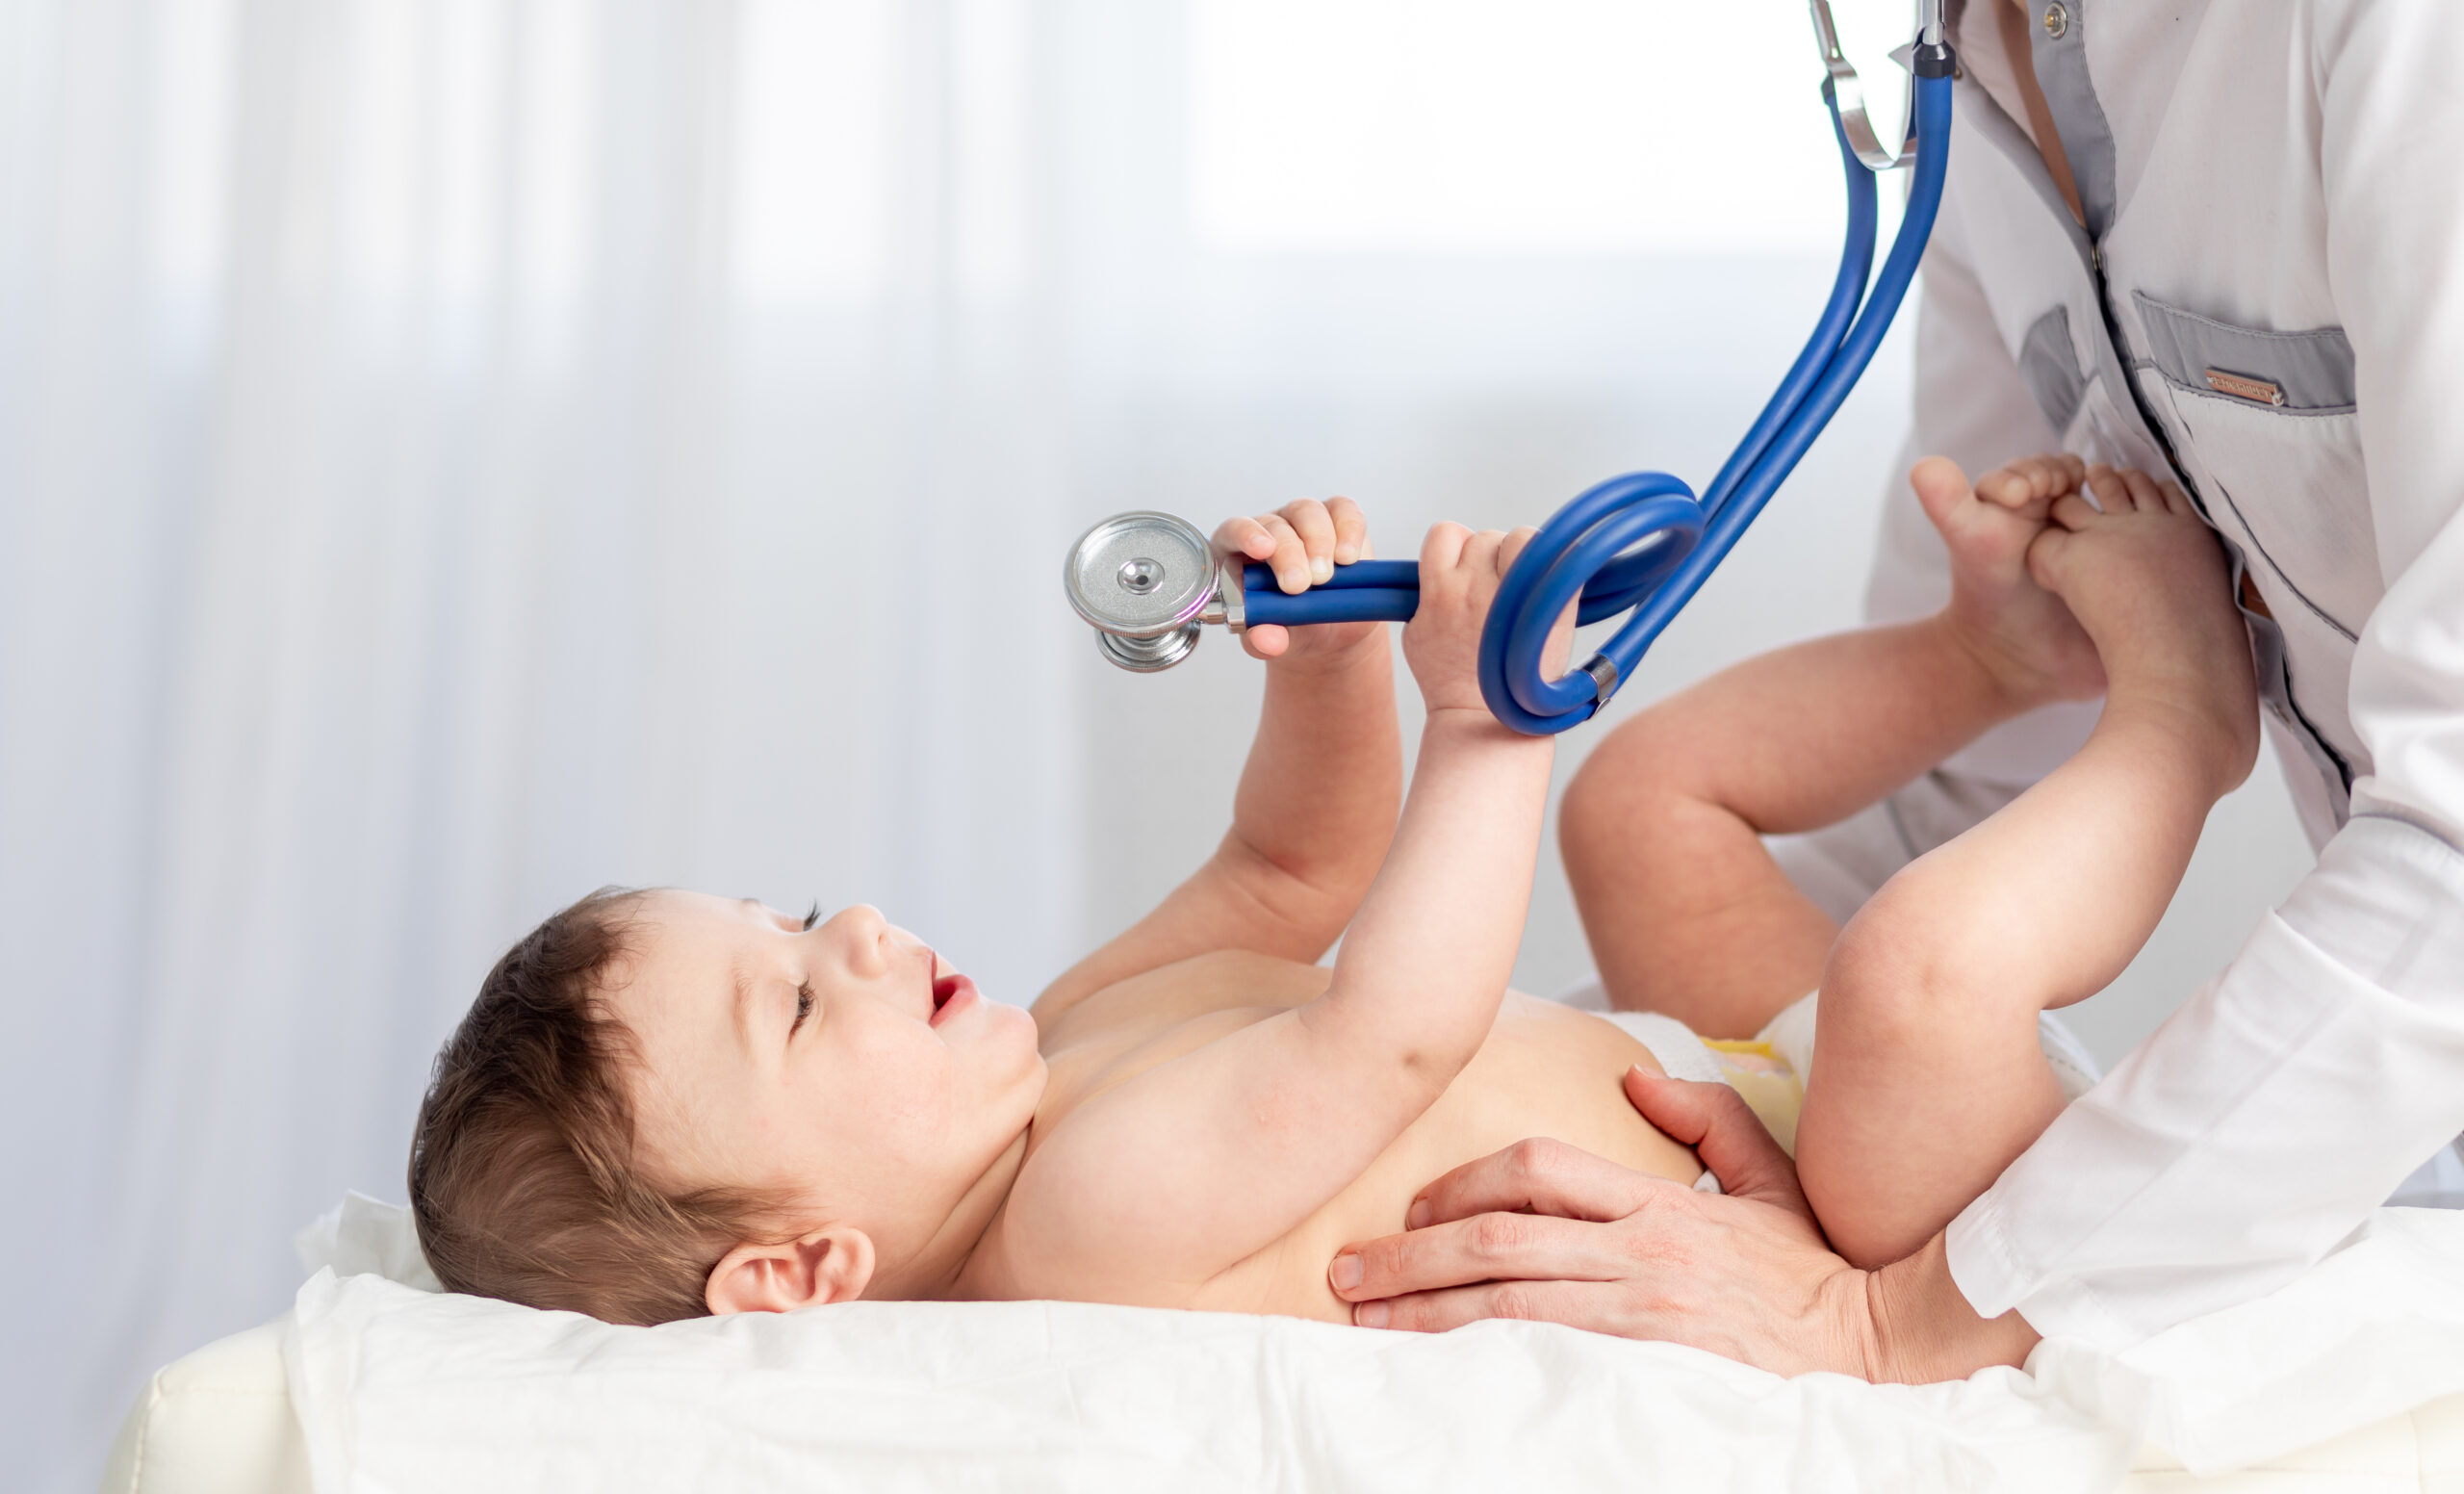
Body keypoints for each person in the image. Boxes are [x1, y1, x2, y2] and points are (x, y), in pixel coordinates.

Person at [406, 454, 2241, 1333]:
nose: (865, 936)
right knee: (1922, 968)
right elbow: (1395, 1029)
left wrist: (1317, 675)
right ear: (803, 1271)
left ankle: (1996, 657)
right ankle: (2179, 717)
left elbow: (1287, 874)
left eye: (798, 916)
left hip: (1750, 1088)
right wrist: (1480, 718)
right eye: (800, 1001)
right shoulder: (1085, 1231)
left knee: (1654, 804)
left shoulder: (1065, 1053)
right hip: (1865, 1209)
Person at [1326, 0, 2464, 1378]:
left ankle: (2183, 721)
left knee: (1824, 923)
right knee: (1691, 843)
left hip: (2388, 1035)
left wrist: (1899, 1319)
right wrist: (1981, 663)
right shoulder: (1981, 87)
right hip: (2344, 1103)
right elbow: (1951, 810)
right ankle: (2165, 714)